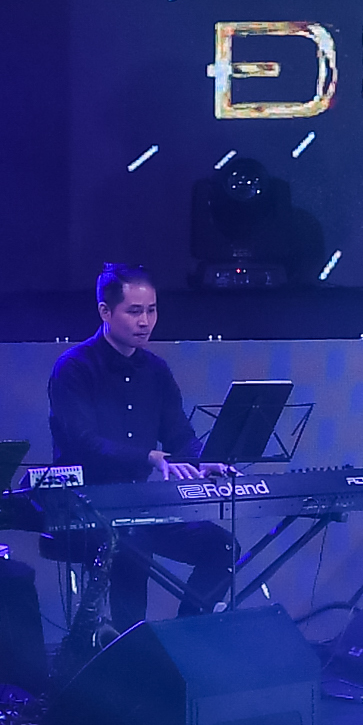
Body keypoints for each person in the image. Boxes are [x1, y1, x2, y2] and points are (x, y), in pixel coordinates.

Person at [44, 263, 232, 632]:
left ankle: (185, 636)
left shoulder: (157, 371)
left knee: (222, 548)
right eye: (134, 311)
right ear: (105, 312)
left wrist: (203, 462)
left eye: (151, 310)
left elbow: (179, 435)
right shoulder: (74, 368)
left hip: (142, 507)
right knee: (132, 543)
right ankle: (132, 648)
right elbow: (82, 442)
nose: (145, 322)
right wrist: (147, 457)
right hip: (86, 508)